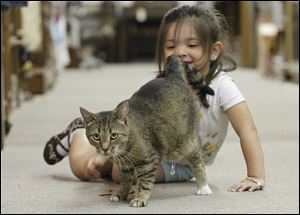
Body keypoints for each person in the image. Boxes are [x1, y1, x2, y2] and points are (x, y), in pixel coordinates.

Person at [43, 4, 265, 192]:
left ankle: (102, 156)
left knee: (120, 172)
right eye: (170, 46)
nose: (179, 52)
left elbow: (248, 130)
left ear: (214, 50)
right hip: (146, 148)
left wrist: (255, 176)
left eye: (192, 45)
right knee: (86, 168)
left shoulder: (222, 87)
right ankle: (80, 134)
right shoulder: (162, 87)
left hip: (185, 164)